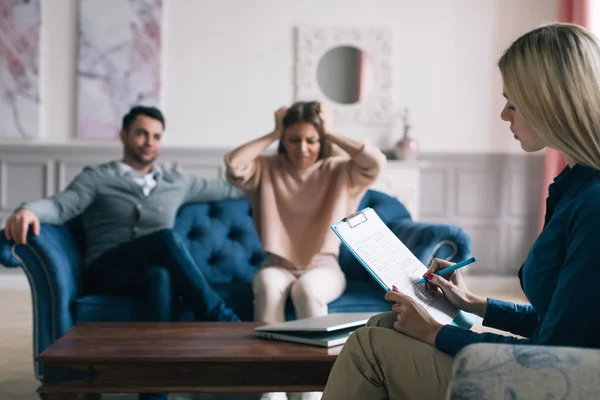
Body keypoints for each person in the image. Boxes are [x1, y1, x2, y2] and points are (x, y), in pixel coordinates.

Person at [321, 22, 600, 400]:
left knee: (369, 348)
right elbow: (561, 321)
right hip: (548, 367)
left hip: (557, 384)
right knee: (385, 324)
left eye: (513, 103)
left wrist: (436, 332)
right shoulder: (574, 188)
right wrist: (473, 303)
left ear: (549, 102)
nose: (505, 115)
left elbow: (554, 354)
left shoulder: (592, 204)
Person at [4, 106, 245, 400]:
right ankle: (220, 319)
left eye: (156, 136)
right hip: (107, 271)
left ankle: (153, 389)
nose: (148, 141)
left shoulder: (177, 182)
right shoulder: (97, 178)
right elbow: (60, 205)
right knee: (164, 240)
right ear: (124, 135)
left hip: (147, 276)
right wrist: (27, 209)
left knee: (161, 276)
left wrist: (275, 170)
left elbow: (234, 190)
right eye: (141, 133)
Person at [225, 101, 387, 400]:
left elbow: (375, 161)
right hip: (278, 265)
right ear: (283, 142)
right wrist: (273, 131)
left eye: (311, 140)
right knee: (266, 282)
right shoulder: (267, 168)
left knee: (307, 290)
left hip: (323, 267)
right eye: (293, 139)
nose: (302, 148)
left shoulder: (340, 170)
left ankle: (311, 393)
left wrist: (331, 131)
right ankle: (271, 389)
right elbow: (234, 164)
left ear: (321, 141)